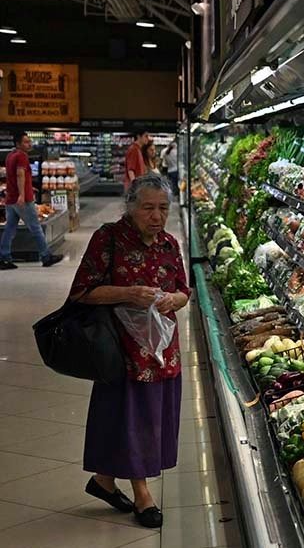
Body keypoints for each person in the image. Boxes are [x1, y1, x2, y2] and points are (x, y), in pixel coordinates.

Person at [70, 174, 189, 529]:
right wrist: (128, 292)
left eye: (163, 208)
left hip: (162, 349)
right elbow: (82, 292)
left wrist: (173, 300)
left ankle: (104, 481)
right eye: (148, 207)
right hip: (120, 349)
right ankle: (143, 494)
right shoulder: (108, 239)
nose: (156, 216)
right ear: (131, 207)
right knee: (137, 420)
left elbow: (184, 291)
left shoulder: (169, 244)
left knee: (145, 417)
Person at [0, 131, 64, 269]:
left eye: (29, 141)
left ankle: (4, 258)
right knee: (36, 228)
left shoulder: (10, 156)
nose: (29, 144)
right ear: (18, 144)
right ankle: (46, 256)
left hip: (10, 199)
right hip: (22, 200)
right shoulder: (22, 156)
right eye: (26, 142)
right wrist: (22, 195)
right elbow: (19, 175)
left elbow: (12, 177)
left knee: (9, 230)